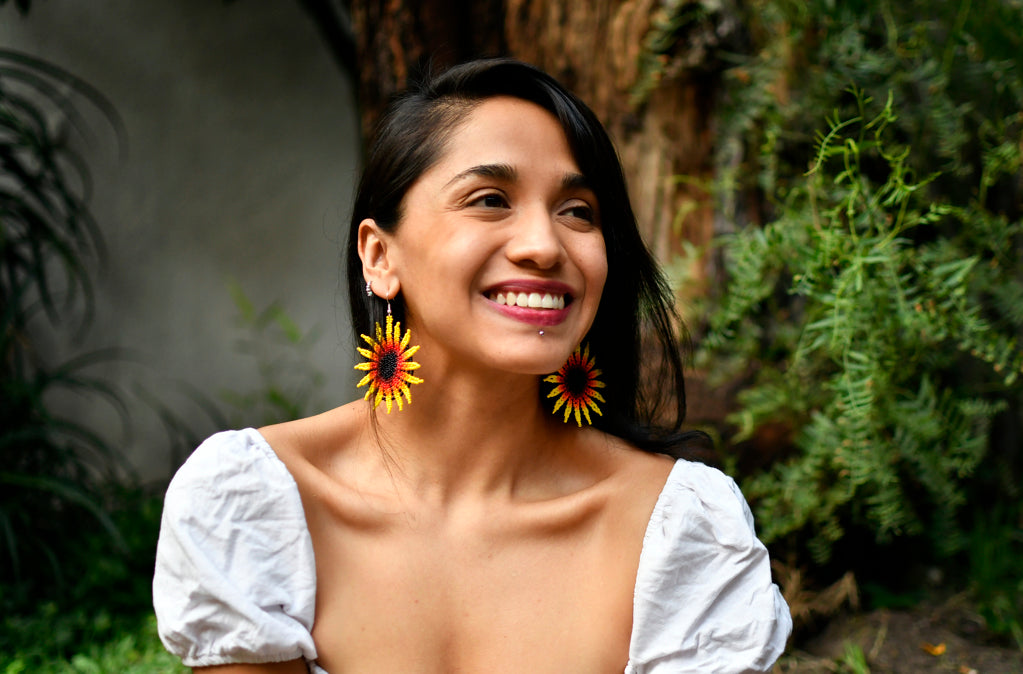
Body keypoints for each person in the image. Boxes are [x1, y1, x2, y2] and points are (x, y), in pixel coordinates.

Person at [153, 58, 791, 673]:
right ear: (379, 256)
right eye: (489, 199)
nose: (544, 246)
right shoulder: (257, 506)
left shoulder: (679, 529)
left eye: (578, 212)